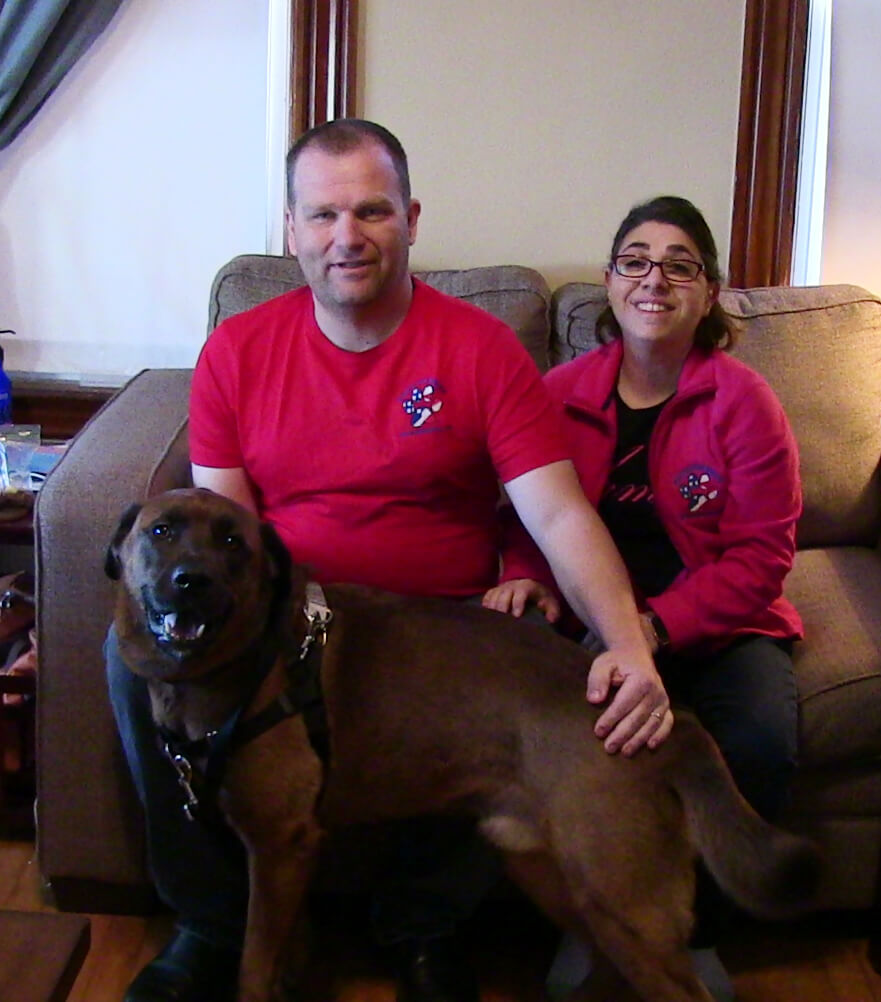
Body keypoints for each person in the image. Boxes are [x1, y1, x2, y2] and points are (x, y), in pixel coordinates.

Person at [106, 119, 671, 1002]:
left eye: (372, 210)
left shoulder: (482, 350)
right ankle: (214, 926)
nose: (348, 236)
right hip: (293, 617)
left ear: (410, 218)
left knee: (480, 680)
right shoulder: (238, 352)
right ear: (291, 230)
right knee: (125, 654)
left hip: (434, 615)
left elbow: (559, 515)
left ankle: (426, 928)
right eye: (324, 215)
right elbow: (229, 534)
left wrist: (627, 644)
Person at [484, 195, 803, 1000]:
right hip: (587, 619)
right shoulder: (555, 393)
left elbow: (762, 559)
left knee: (759, 741)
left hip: (717, 623)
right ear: (610, 281)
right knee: (567, 749)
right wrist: (521, 569)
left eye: (679, 264)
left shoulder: (745, 403)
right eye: (635, 259)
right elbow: (527, 510)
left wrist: (656, 629)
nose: (654, 277)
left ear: (710, 293)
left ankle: (694, 940)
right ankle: (590, 926)